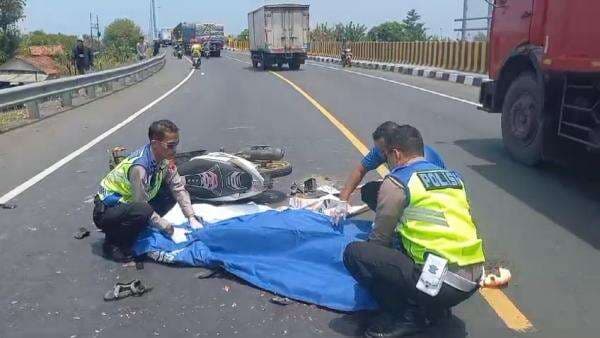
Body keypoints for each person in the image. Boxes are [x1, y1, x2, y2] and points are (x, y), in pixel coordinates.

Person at [343, 124, 485, 337]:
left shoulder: (398, 180)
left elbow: (379, 241)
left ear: (396, 154)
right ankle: (435, 307)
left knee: (356, 253)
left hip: (438, 281)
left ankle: (408, 316)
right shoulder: (455, 177)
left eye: (388, 157)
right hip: (472, 279)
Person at [93, 120, 202, 262]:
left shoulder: (165, 160)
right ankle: (112, 242)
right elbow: (141, 205)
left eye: (176, 144)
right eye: (170, 145)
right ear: (155, 143)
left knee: (168, 194)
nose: (174, 149)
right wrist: (167, 227)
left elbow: (178, 187)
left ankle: (137, 229)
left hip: (129, 205)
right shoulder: (140, 167)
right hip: (107, 211)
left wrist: (191, 217)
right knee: (143, 211)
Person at [339, 121, 446, 211]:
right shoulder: (383, 150)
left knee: (391, 192)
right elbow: (360, 170)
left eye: (384, 150)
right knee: (370, 191)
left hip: (431, 198)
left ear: (395, 148)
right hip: (412, 191)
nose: (382, 153)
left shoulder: (418, 159)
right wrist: (343, 201)